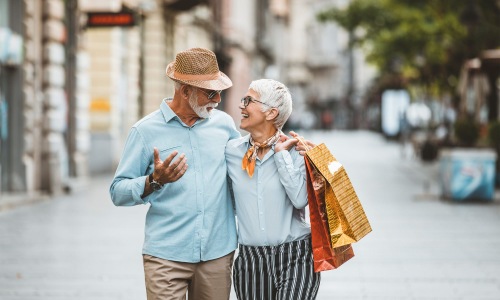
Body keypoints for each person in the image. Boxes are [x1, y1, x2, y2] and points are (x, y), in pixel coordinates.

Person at [109, 47, 240, 300]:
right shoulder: (145, 131)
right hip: (166, 255)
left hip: (217, 252)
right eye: (211, 93)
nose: (218, 100)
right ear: (185, 90)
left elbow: (245, 169)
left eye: (220, 93)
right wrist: (155, 180)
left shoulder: (224, 125)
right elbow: (117, 192)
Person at [226, 79, 321, 300]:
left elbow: (299, 199)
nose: (242, 106)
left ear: (271, 113)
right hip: (250, 260)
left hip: (296, 255)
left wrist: (281, 156)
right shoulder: (231, 152)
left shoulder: (297, 151)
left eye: (248, 100)